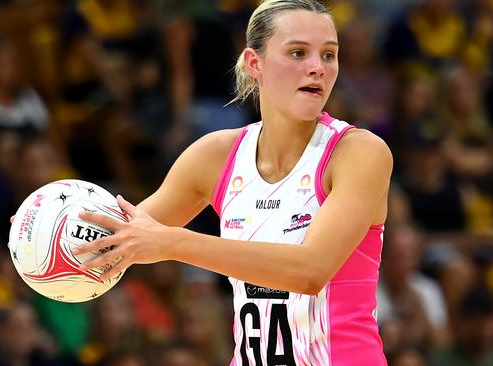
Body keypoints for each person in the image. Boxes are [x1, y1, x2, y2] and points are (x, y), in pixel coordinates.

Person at [72, 0, 392, 365]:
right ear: (255, 63)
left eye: (329, 55)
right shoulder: (216, 155)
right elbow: (116, 239)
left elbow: (309, 270)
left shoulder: (358, 152)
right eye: (298, 53)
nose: (318, 68)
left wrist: (174, 242)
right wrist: (49, 228)